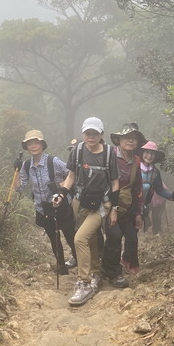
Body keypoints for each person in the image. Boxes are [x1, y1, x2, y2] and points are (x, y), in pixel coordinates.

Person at [54, 117, 119, 306]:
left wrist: (114, 209)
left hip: (101, 205)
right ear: (83, 134)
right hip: (80, 202)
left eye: (95, 133)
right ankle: (96, 273)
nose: (91, 137)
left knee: (79, 239)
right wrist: (61, 194)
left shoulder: (109, 154)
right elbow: (71, 176)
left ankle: (84, 282)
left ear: (101, 134)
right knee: (89, 239)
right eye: (88, 133)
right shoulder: (78, 151)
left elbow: (115, 183)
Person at [14, 129, 77, 274]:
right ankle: (61, 267)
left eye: (36, 143)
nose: (33, 146)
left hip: (62, 205)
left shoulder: (53, 161)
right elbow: (19, 187)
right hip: (43, 208)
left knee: (70, 237)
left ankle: (80, 263)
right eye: (30, 143)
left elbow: (71, 174)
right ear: (26, 147)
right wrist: (16, 170)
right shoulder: (26, 165)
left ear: (42, 145)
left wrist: (60, 186)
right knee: (54, 239)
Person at [101, 123, 146, 286]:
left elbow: (138, 187)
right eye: (127, 137)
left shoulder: (135, 161)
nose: (131, 141)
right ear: (119, 140)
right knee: (114, 237)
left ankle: (111, 268)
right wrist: (109, 206)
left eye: (134, 138)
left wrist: (139, 212)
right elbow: (101, 182)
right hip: (107, 204)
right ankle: (112, 272)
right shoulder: (109, 156)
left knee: (131, 238)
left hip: (127, 207)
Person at [140, 140, 174, 237]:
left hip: (144, 204)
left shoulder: (155, 172)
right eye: (147, 152)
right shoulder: (134, 167)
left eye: (152, 153)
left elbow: (160, 190)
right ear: (142, 153)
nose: (149, 156)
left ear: (155, 156)